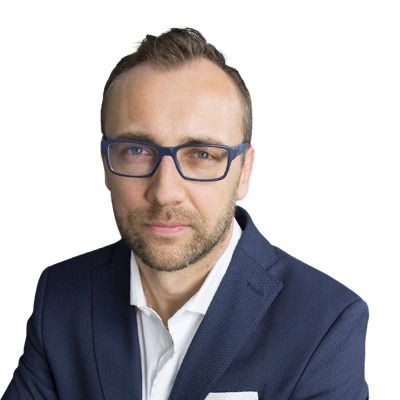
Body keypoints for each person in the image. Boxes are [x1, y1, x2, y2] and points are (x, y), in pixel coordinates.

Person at [2, 27, 368, 400]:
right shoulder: (63, 295)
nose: (165, 192)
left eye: (202, 154)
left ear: (244, 172)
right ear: (106, 164)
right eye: (136, 151)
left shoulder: (326, 323)